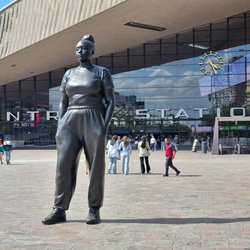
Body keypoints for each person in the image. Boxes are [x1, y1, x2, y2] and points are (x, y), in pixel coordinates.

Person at [42, 34, 115, 225]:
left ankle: (94, 209)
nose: (80, 51)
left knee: (95, 166)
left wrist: (103, 126)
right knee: (63, 166)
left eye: (84, 48)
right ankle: (59, 209)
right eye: (77, 48)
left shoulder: (101, 72)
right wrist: (60, 125)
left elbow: (110, 101)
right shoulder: (68, 74)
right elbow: (62, 103)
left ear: (92, 51)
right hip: (70, 119)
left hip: (93, 117)